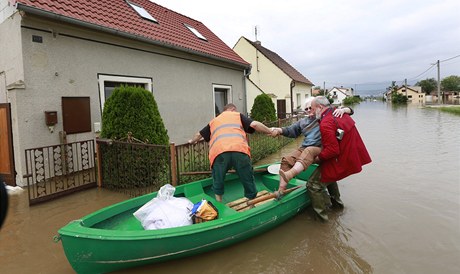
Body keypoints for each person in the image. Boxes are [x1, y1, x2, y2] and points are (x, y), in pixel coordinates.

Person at [270, 98, 352, 220]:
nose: (309, 111)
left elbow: (348, 111)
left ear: (316, 108)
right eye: (306, 109)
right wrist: (278, 130)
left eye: (310, 108)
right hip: (305, 148)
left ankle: (333, 209)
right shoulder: (303, 122)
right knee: (286, 160)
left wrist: (345, 109)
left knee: (323, 176)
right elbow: (291, 130)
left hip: (321, 149)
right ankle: (281, 190)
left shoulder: (324, 117)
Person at [188, 103, 274, 202]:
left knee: (218, 179)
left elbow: (199, 134)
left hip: (219, 153)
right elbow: (255, 124)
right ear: (233, 109)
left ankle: (219, 204)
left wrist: (191, 141)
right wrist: (270, 131)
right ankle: (251, 202)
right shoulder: (237, 116)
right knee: (247, 177)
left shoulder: (214, 121)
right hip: (239, 151)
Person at [309, 96, 372, 219]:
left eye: (312, 109)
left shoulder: (326, 122)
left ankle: (323, 221)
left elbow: (332, 150)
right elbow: (350, 112)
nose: (311, 112)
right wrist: (347, 109)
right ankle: (338, 208)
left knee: (313, 184)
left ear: (320, 107)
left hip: (340, 158)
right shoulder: (338, 113)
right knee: (329, 175)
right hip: (350, 156)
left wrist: (317, 159)